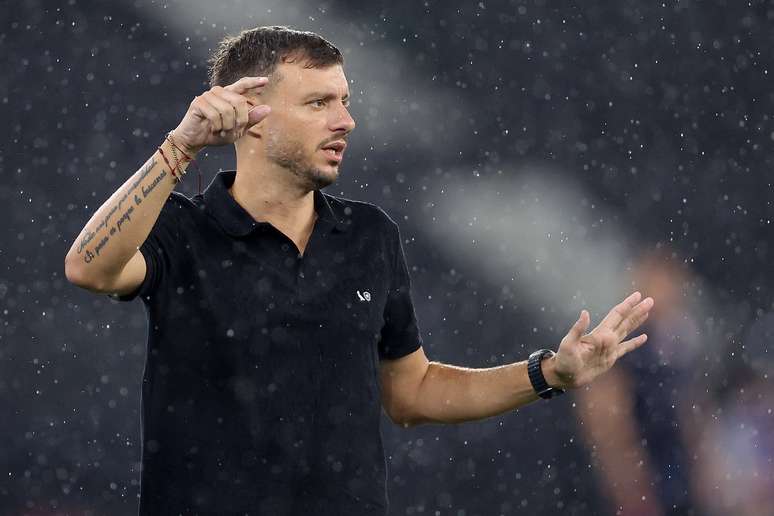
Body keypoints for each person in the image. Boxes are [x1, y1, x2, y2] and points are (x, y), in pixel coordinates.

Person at [64, 25, 654, 516]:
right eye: (319, 103)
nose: (345, 121)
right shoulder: (181, 231)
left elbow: (412, 392)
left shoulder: (369, 236)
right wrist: (181, 147)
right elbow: (88, 267)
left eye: (345, 102)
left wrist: (549, 371)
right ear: (253, 117)